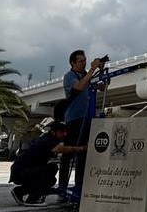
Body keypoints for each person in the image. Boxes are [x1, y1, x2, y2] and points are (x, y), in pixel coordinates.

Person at [58, 50, 105, 194]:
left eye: (85, 60)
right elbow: (79, 87)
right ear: (73, 63)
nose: (84, 63)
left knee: (83, 153)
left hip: (87, 118)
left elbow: (98, 87)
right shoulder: (69, 76)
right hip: (73, 119)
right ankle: (62, 188)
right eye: (81, 61)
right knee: (68, 154)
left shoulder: (86, 75)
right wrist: (92, 69)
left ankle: (79, 185)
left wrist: (101, 77)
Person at [9, 120, 85, 206]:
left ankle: (20, 192)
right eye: (62, 131)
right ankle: (33, 198)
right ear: (53, 132)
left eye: (65, 131)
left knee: (51, 178)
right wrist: (81, 149)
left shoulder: (48, 138)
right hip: (21, 171)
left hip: (24, 170)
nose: (64, 134)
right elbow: (59, 149)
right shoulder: (48, 139)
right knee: (50, 170)